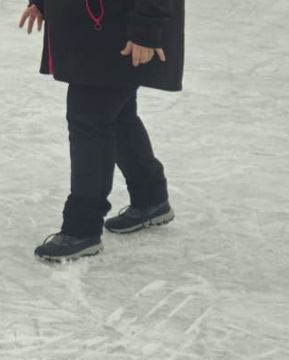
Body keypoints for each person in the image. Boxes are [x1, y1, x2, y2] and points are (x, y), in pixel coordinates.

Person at [19, 0, 184, 262]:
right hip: (96, 28)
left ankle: (81, 228)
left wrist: (146, 29)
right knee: (117, 116)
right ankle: (150, 197)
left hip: (117, 29)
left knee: (89, 119)